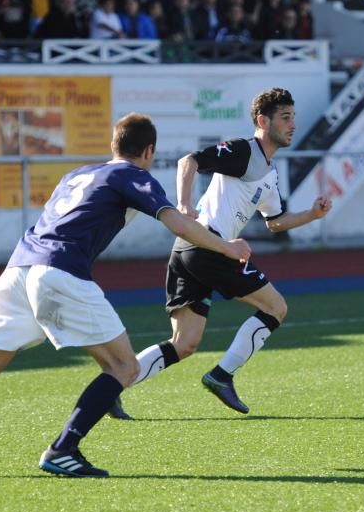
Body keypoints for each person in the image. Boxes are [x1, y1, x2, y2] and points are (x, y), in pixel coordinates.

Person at [0, 113, 252, 478]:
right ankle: (63, 449)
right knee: (124, 367)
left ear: (113, 144)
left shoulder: (78, 173)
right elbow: (179, 224)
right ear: (149, 151)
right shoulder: (133, 174)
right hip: (59, 272)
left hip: (17, 270)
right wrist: (226, 247)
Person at [118, 88, 332, 416]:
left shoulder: (269, 172)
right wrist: (185, 204)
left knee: (184, 343)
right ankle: (222, 376)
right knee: (276, 308)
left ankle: (112, 387)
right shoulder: (243, 151)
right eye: (285, 118)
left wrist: (311, 215)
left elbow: (274, 223)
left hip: (189, 250)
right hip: (208, 247)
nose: (293, 125)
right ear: (262, 121)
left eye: (293, 117)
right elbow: (189, 161)